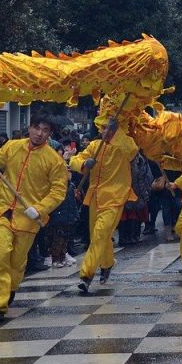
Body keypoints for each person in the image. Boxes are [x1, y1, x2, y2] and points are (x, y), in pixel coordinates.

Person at [0, 113, 67, 321]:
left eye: (45, 130)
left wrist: (39, 209)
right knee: (1, 252)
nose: (39, 133)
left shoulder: (54, 161)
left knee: (17, 261)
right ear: (29, 127)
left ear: (49, 134)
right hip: (2, 208)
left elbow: (58, 192)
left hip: (27, 217)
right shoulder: (13, 146)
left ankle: (9, 287)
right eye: (37, 127)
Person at [69, 115, 139, 294]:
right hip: (95, 198)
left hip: (115, 197)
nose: (104, 131)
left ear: (116, 129)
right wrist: (84, 163)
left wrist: (118, 133)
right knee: (99, 236)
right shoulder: (94, 146)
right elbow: (74, 160)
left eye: (108, 128)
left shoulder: (124, 144)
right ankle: (107, 264)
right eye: (102, 128)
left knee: (101, 233)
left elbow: (132, 151)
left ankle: (86, 274)